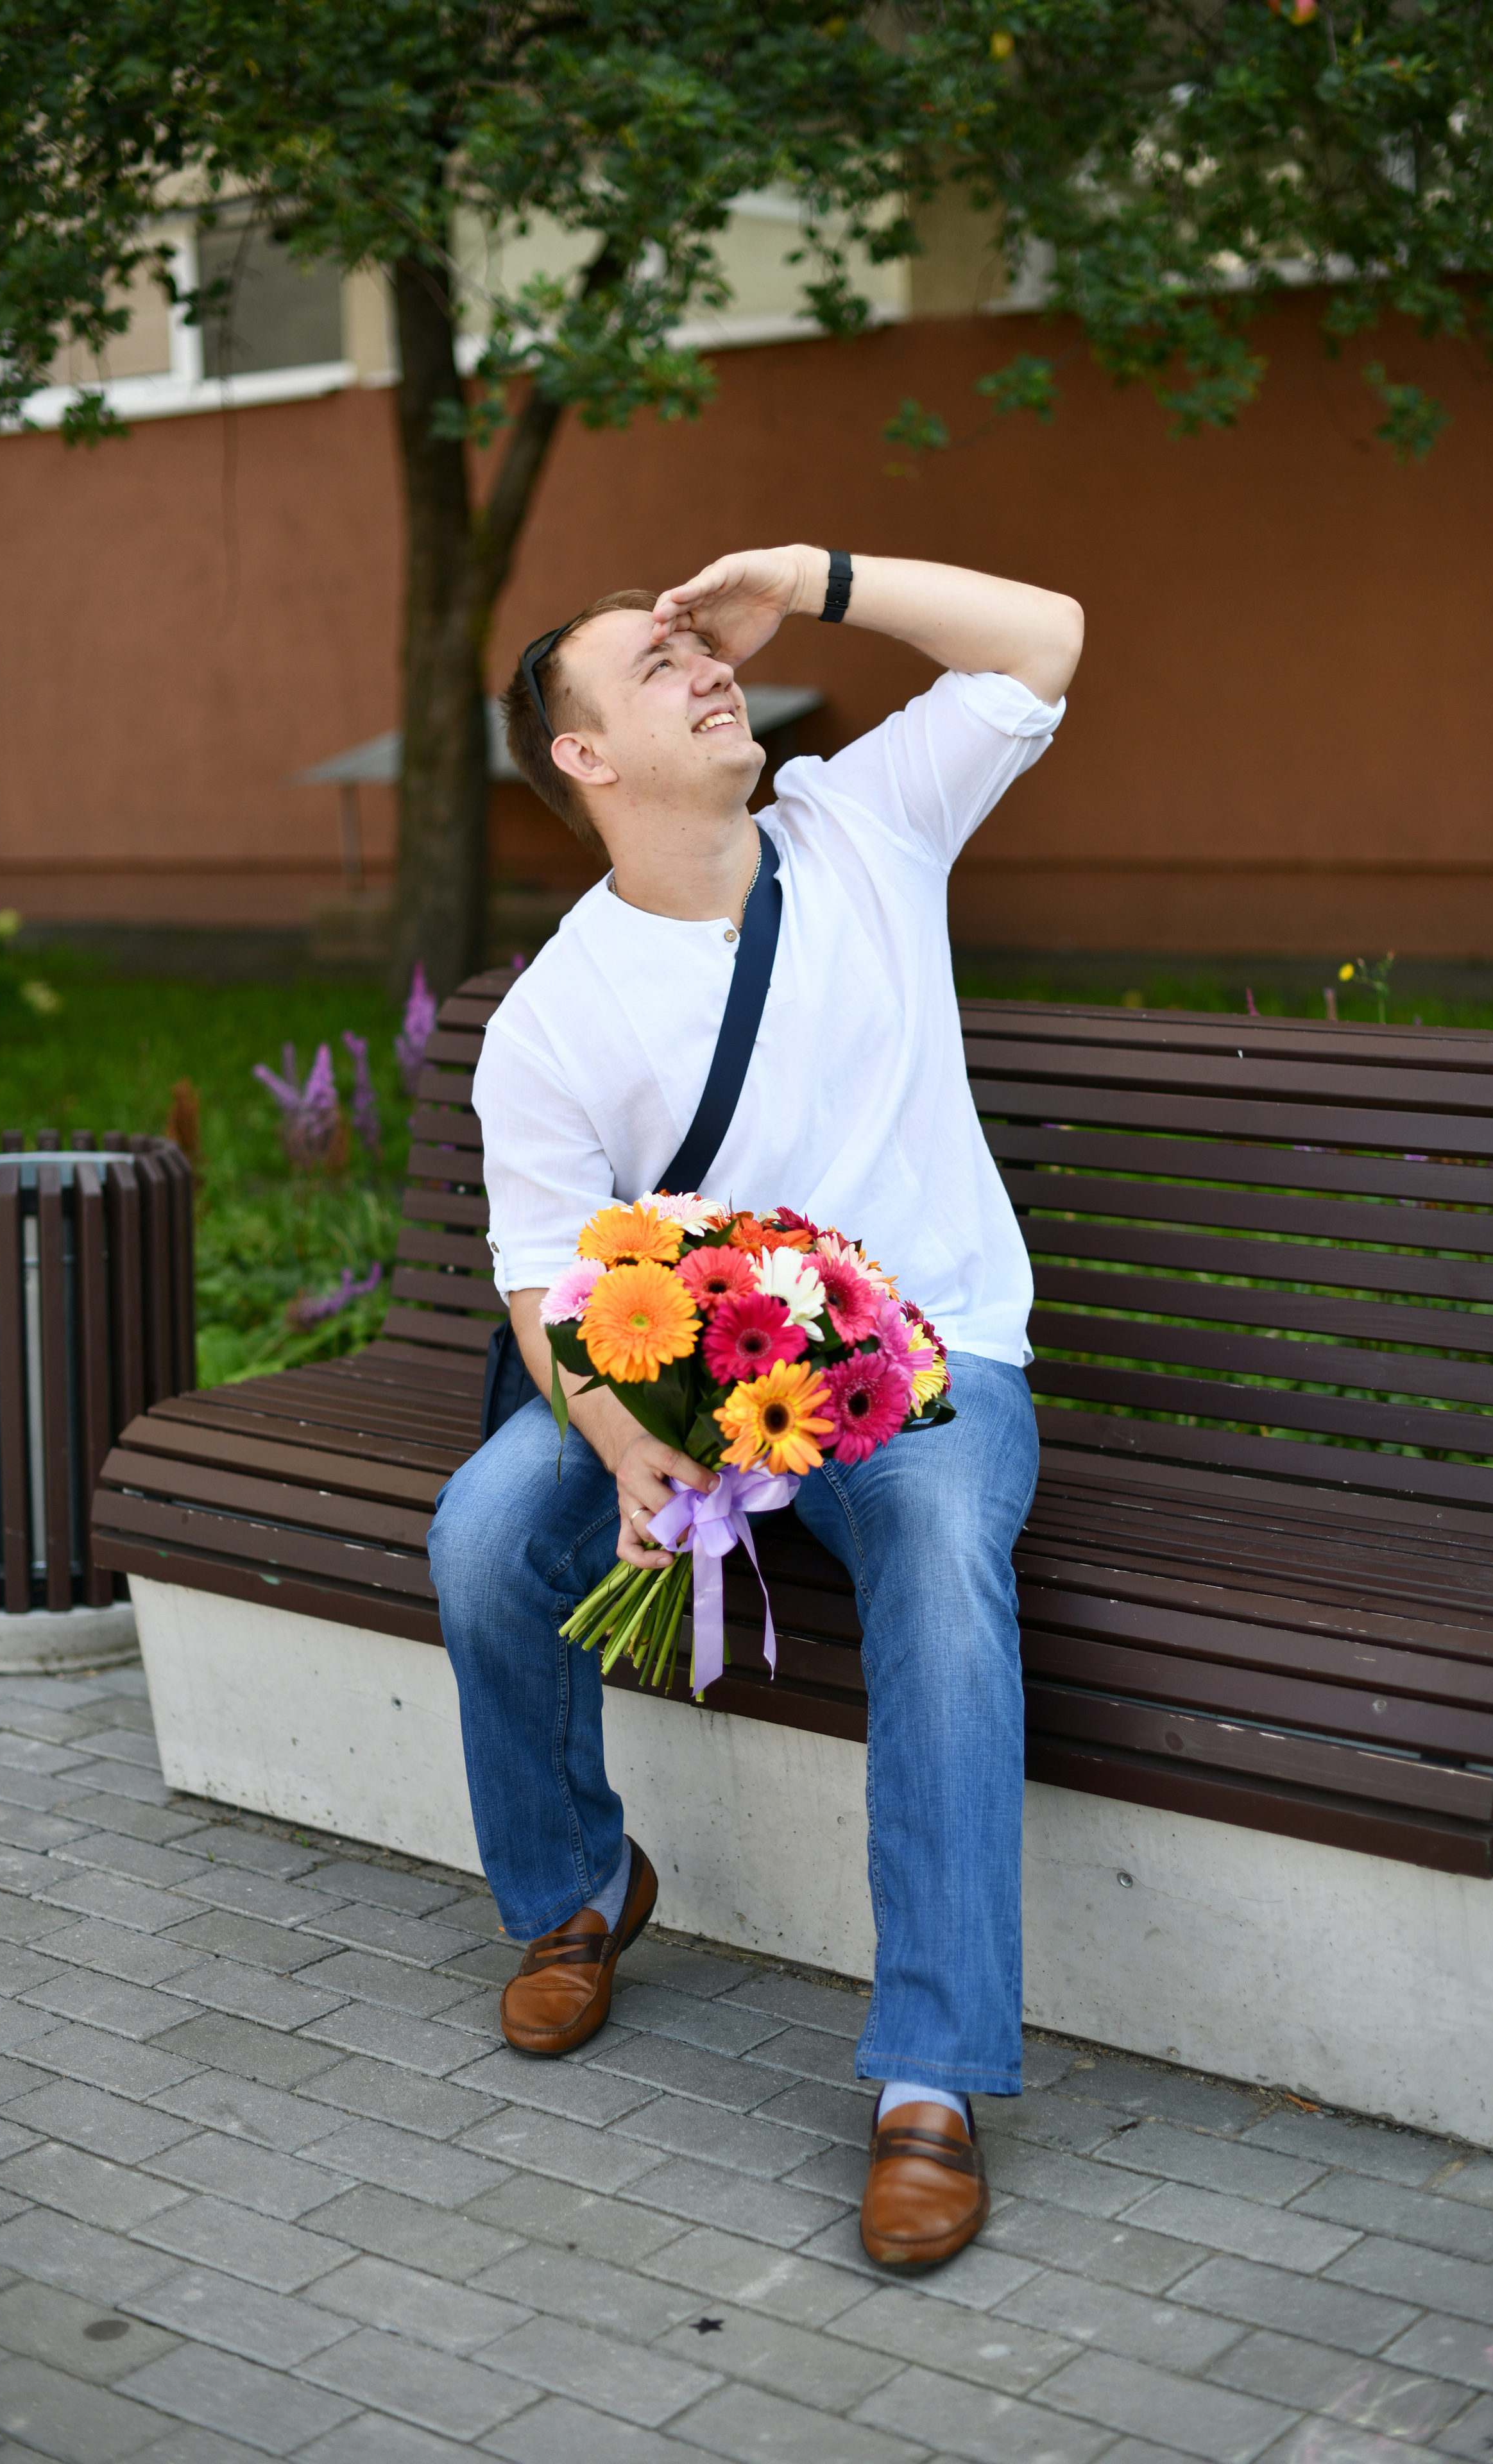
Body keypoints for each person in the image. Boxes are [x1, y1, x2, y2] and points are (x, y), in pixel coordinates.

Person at [428, 545, 1083, 2268]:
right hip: (687, 1384)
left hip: (926, 1363)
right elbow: (539, 1278)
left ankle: (931, 2078)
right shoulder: (555, 1013)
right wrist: (621, 1440)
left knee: (944, 1571)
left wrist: (810, 576)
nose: (708, 669)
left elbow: (1046, 637)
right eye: (656, 667)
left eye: (699, 648)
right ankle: (578, 1889)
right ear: (583, 757)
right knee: (484, 1532)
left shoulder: (867, 828)